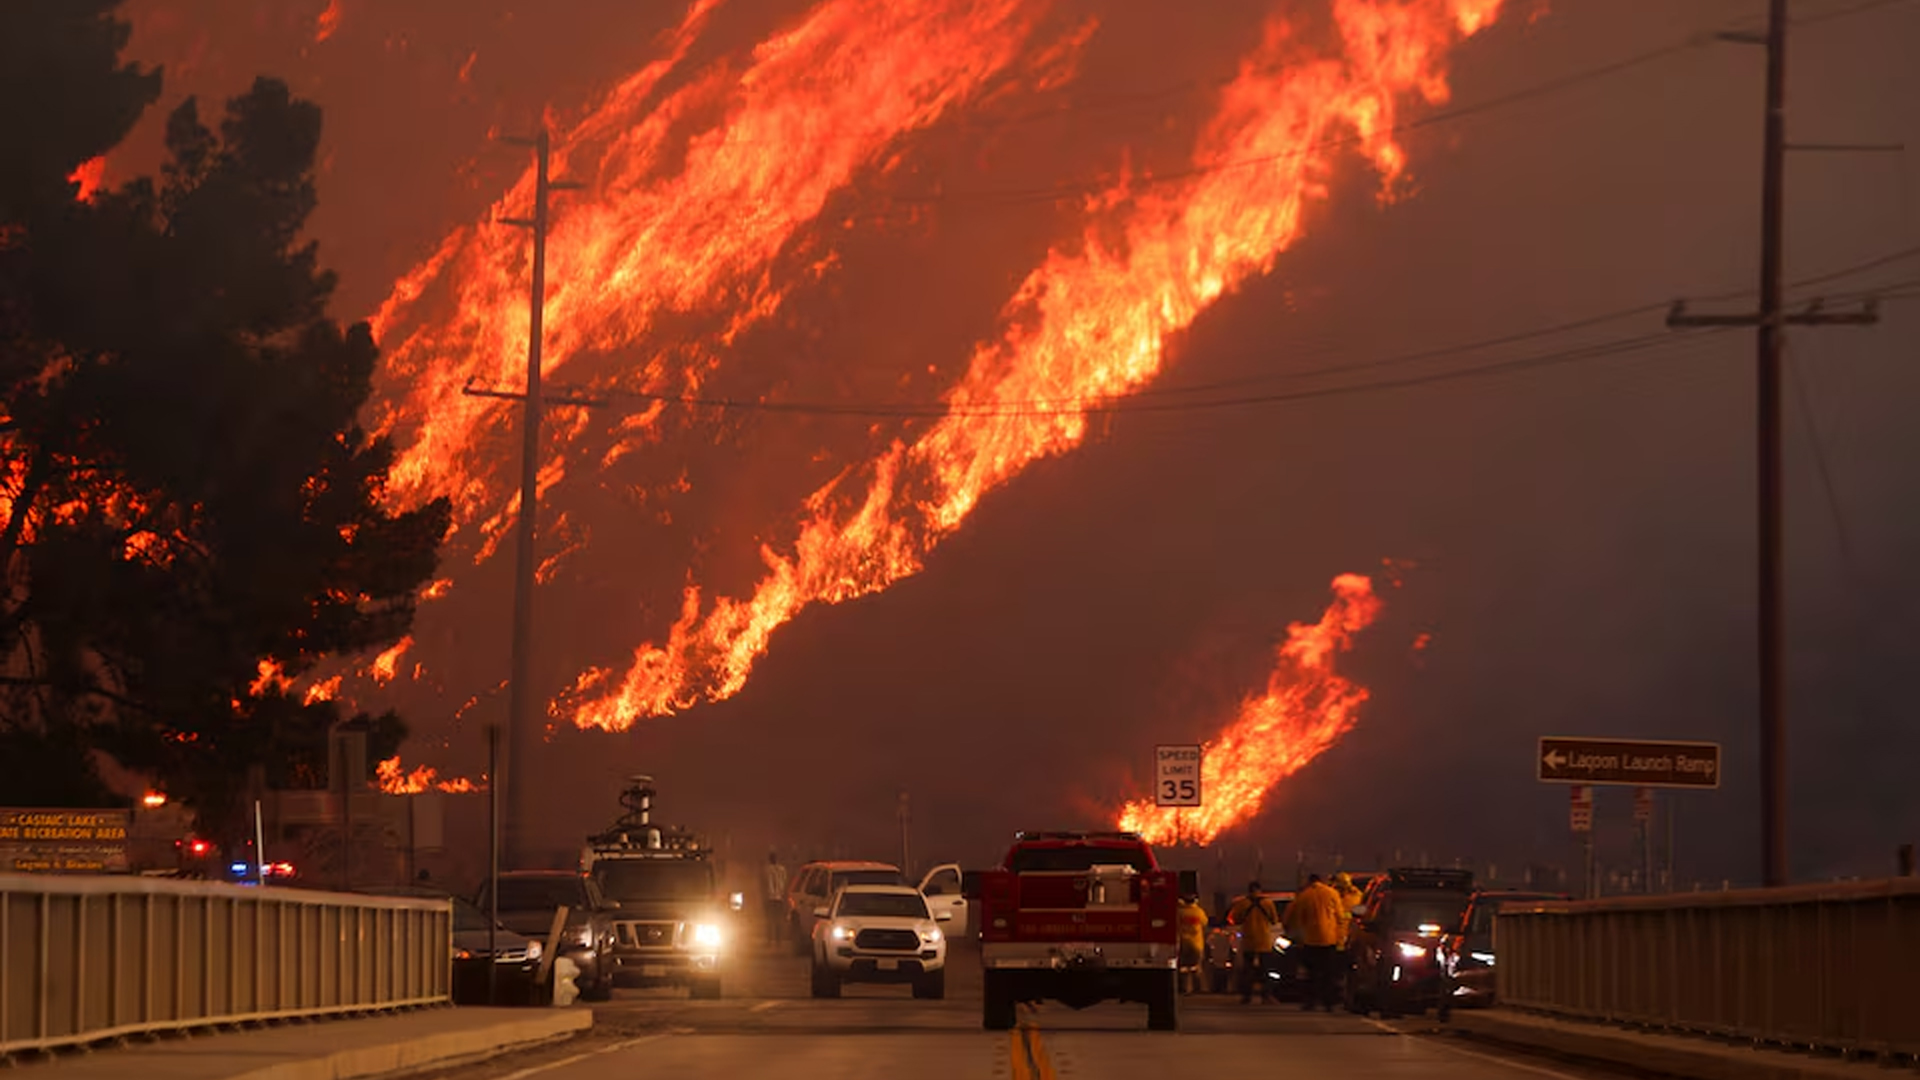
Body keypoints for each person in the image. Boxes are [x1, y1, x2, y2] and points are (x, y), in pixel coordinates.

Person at [1282, 873, 1345, 1012]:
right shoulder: (1332, 893)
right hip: (1329, 939)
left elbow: (1298, 920)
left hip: (1310, 940)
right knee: (1329, 973)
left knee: (1311, 973)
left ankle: (1310, 1002)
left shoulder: (1304, 896)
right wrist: (1340, 937)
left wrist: (1298, 939)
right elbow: (1340, 917)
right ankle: (1329, 1003)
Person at [1226, 881, 1281, 1003]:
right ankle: (1266, 995)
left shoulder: (1242, 904)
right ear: (1260, 890)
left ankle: (1247, 996)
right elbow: (1274, 920)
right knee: (1266, 970)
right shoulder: (1268, 903)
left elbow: (1235, 919)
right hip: (1264, 941)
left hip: (1248, 941)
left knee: (1248, 970)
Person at [1176, 894, 1209, 994]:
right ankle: (1197, 987)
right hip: (1197, 943)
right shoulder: (1198, 912)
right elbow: (1205, 923)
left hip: (1183, 942)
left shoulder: (1179, 912)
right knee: (1196, 966)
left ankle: (1183, 987)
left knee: (1183, 967)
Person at [762, 851, 789, 948]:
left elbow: (764, 884)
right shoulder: (782, 870)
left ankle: (769, 940)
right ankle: (778, 941)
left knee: (769, 920)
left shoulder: (766, 870)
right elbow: (785, 883)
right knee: (778, 920)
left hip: (770, 898)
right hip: (779, 898)